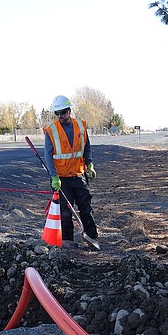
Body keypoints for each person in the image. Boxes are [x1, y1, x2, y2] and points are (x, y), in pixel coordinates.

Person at [43, 94, 100, 250]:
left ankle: (92, 236)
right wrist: (53, 176)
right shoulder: (51, 131)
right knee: (65, 211)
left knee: (86, 207)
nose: (60, 116)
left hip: (78, 174)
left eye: (62, 112)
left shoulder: (80, 126)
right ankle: (67, 239)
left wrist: (90, 164)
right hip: (61, 178)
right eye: (57, 113)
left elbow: (87, 147)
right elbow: (48, 156)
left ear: (69, 111)